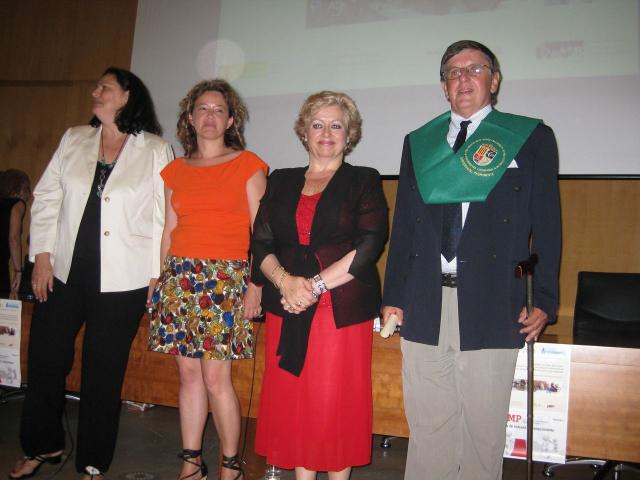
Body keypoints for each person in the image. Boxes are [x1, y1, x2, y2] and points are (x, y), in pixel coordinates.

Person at [381, 40, 561, 480]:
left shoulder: (530, 138)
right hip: (424, 300)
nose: (463, 78)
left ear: (494, 81)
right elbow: (404, 226)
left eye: (475, 69)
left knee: (483, 433)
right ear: (444, 87)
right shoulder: (418, 143)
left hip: (493, 300)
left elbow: (548, 225)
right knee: (428, 428)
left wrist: (545, 299)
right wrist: (393, 296)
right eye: (453, 72)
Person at [9, 67, 173, 480]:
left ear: (127, 96)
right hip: (64, 270)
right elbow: (47, 196)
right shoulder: (74, 138)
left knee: (104, 369)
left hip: (124, 279)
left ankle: (93, 462)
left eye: (105, 87)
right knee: (46, 356)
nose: (95, 92)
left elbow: (162, 216)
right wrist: (41, 256)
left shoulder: (155, 148)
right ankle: (42, 444)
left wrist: (157, 273)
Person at [252, 91, 388, 480]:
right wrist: (285, 282)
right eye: (317, 124)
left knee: (332, 405)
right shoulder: (281, 180)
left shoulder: (363, 180)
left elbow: (370, 244)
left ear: (350, 134)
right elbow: (260, 243)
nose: (326, 133)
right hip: (288, 306)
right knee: (296, 403)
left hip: (338, 308)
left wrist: (311, 287)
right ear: (304, 132)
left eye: (336, 125)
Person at [148, 79, 268, 480]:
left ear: (231, 120)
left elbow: (263, 234)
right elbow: (169, 231)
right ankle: (191, 463)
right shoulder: (175, 170)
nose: (210, 116)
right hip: (180, 278)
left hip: (225, 280)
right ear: (190, 118)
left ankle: (230, 465)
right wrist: (158, 280)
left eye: (219, 109)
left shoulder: (247, 164)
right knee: (188, 375)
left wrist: (256, 285)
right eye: (202, 108)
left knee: (217, 379)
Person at [0, 169, 31, 298]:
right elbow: (14, 238)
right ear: (20, 189)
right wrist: (18, 271)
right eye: (27, 189)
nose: (29, 194)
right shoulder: (17, 204)